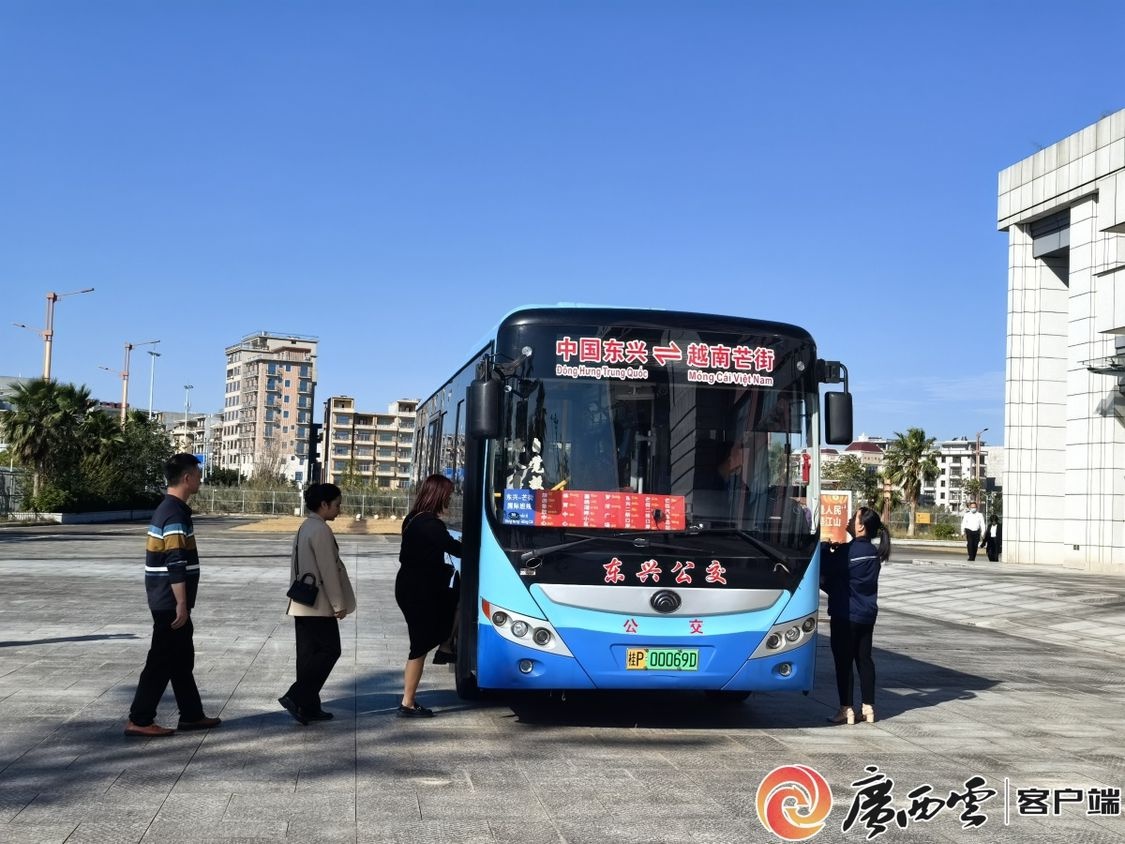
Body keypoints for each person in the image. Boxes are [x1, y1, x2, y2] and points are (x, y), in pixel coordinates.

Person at [124, 453, 222, 737]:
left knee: (181, 659)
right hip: (169, 602)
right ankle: (140, 719)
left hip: (168, 599)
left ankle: (191, 715)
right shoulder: (174, 513)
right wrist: (181, 603)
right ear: (188, 478)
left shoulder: (170, 509)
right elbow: (175, 560)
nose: (201, 479)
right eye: (198, 475)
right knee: (161, 661)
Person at [279, 483, 356, 725]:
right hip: (318, 603)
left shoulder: (306, 526)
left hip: (302, 601)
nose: (339, 509)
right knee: (330, 650)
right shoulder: (321, 530)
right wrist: (337, 603)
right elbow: (328, 571)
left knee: (308, 655)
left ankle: (308, 707)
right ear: (324, 504)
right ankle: (297, 696)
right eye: (337, 504)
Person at [395, 473, 462, 718]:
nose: (450, 499)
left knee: (452, 601)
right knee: (419, 646)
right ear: (439, 496)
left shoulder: (413, 518)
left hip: (410, 585)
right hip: (419, 589)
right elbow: (455, 549)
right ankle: (408, 703)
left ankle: (445, 645)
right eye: (448, 495)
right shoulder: (430, 524)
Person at [820, 506, 891, 726]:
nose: (849, 520)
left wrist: (824, 548)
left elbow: (824, 572)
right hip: (867, 615)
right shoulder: (874, 553)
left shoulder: (848, 552)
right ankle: (868, 708)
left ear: (861, 526)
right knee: (864, 659)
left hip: (845, 614)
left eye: (853, 518)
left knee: (844, 662)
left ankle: (846, 709)